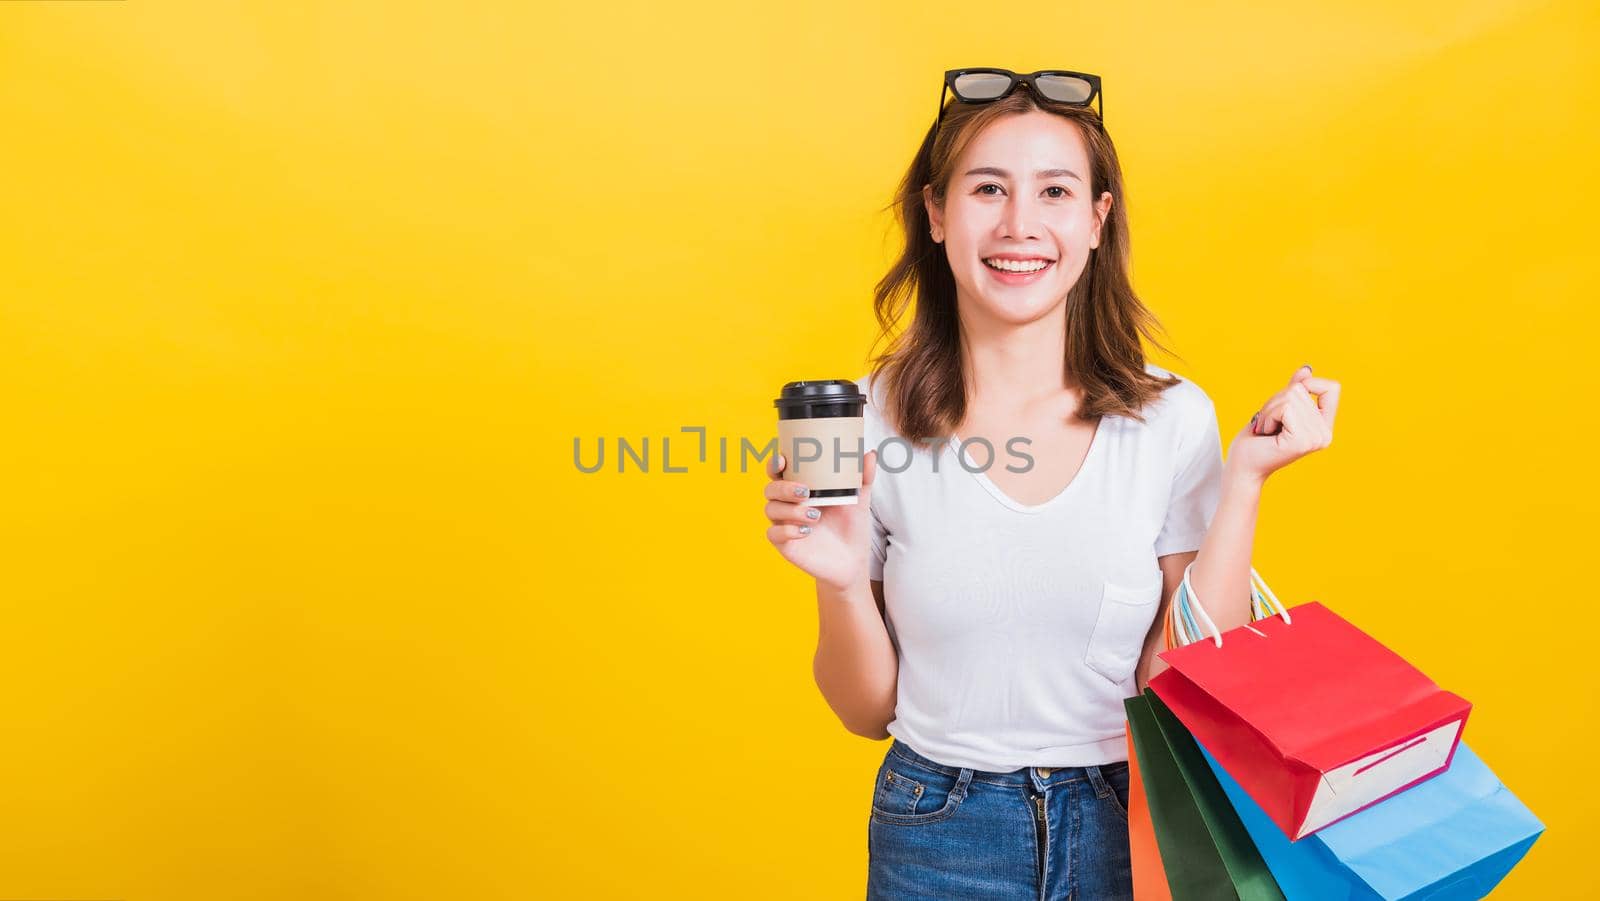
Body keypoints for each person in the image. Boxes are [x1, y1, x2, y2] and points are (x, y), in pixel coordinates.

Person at [762, 68, 1342, 900]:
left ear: (1098, 220)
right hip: (938, 831)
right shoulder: (874, 417)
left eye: (1056, 191)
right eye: (987, 188)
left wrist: (1244, 483)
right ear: (935, 213)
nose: (1019, 224)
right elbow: (864, 711)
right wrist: (844, 581)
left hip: (1132, 823)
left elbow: (1180, 691)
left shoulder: (1172, 418)